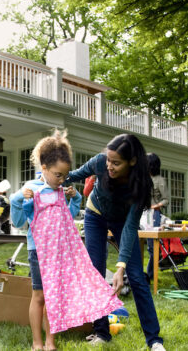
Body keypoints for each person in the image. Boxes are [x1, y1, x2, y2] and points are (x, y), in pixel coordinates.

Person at [11, 129, 122, 351]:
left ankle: (50, 342)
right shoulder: (30, 189)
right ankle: (37, 342)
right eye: (57, 175)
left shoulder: (61, 190)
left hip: (59, 252)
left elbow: (67, 217)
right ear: (43, 168)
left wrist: (76, 198)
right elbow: (18, 220)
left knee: (53, 297)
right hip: (38, 252)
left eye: (64, 175)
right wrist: (20, 200)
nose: (62, 180)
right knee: (40, 295)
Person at [66, 134, 165, 350]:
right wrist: (48, 178)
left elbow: (130, 227)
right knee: (95, 272)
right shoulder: (100, 162)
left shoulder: (140, 185)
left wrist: (121, 266)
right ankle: (101, 331)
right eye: (108, 160)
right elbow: (73, 175)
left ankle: (154, 340)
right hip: (95, 214)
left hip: (122, 221)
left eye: (116, 162)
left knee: (137, 277)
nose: (109, 165)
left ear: (132, 161)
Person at [145, 153, 168, 282]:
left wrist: (154, 207)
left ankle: (150, 274)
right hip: (140, 214)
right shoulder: (142, 178)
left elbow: (166, 200)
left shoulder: (160, 180)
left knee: (152, 247)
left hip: (153, 216)